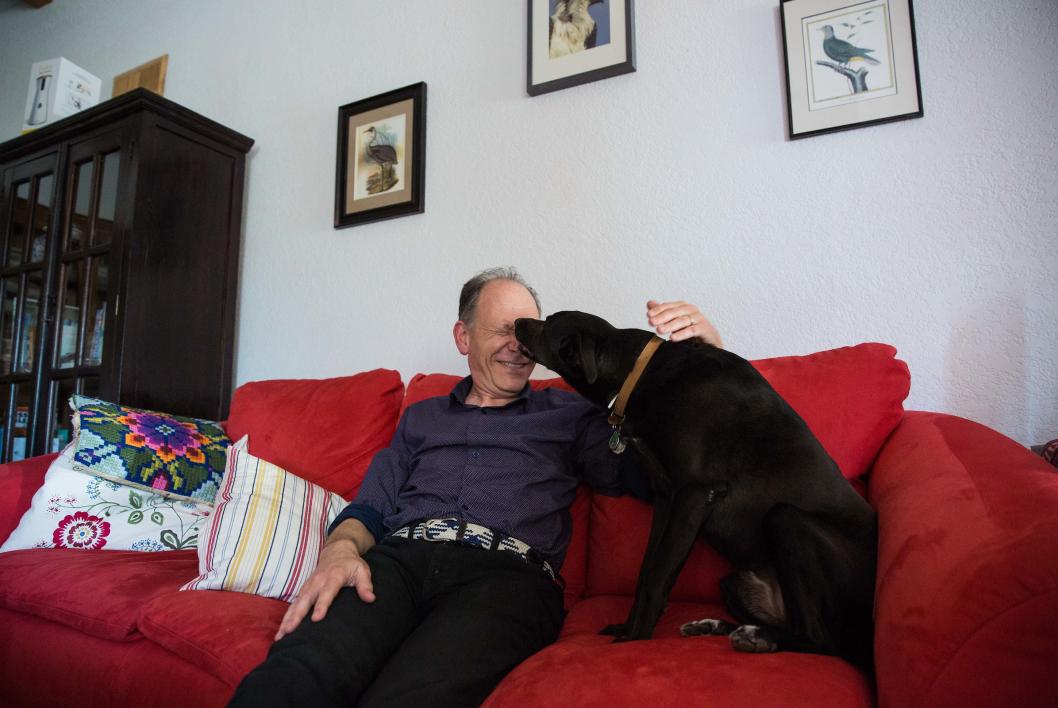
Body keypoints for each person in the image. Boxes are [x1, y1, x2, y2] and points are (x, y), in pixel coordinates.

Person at [230, 267, 723, 707]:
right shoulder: (420, 418)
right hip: (396, 564)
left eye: (530, 331)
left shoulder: (571, 415)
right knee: (295, 675)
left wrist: (707, 361)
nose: (521, 343)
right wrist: (339, 552)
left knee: (411, 694)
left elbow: (660, 471)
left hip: (508, 579)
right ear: (463, 337)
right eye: (504, 329)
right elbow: (373, 504)